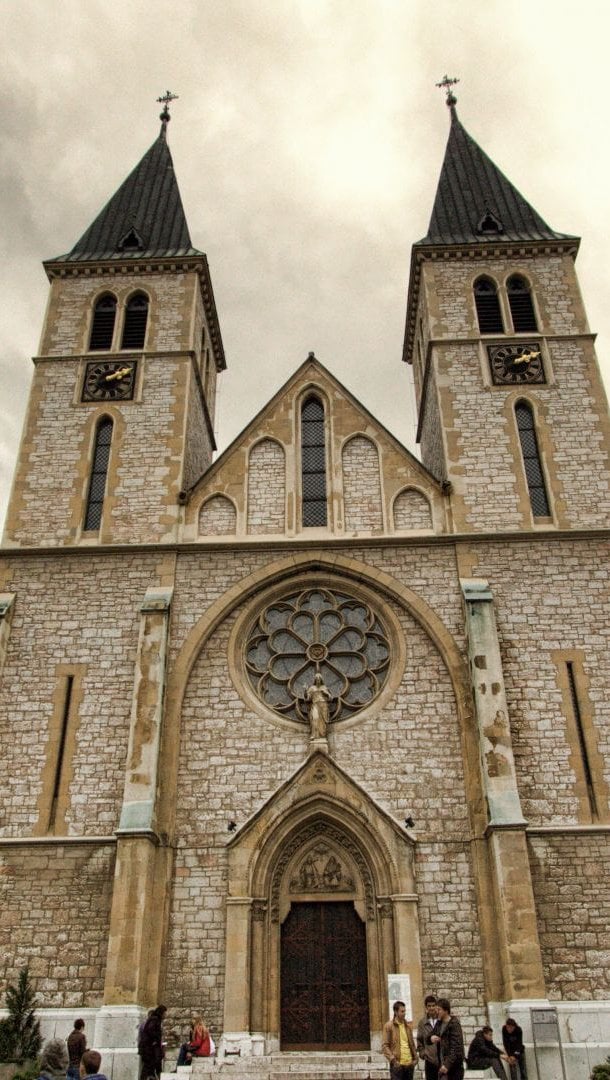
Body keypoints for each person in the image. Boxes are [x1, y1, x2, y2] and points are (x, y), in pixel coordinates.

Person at [429, 999, 464, 1080]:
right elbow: (430, 1036)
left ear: (446, 1010)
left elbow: (455, 1047)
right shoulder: (439, 1023)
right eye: (436, 1009)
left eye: (439, 1009)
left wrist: (447, 1064)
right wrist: (431, 1038)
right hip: (442, 1065)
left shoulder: (454, 1024)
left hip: (453, 1066)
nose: (436, 1011)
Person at [382, 1000, 417, 1079]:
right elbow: (385, 1045)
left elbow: (411, 1043)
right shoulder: (389, 1026)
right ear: (395, 1012)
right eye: (402, 1011)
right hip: (397, 1066)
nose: (404, 1013)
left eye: (405, 1011)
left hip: (409, 1065)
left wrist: (415, 1059)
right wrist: (393, 1060)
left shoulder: (407, 1026)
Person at [138, 1005, 167, 1080]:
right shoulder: (155, 1019)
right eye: (164, 1013)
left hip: (149, 1048)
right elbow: (151, 1030)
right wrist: (155, 1040)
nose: (165, 1015)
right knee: (148, 1066)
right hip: (149, 1049)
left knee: (149, 1067)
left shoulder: (155, 1019)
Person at [416, 995, 439, 1080]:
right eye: (429, 1006)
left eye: (433, 1005)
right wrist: (423, 1053)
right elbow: (419, 1040)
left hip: (442, 1060)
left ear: (436, 1006)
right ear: (426, 1007)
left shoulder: (441, 1020)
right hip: (429, 1061)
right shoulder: (422, 1023)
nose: (431, 1008)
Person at [306, 674, 331, 740]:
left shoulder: (324, 687)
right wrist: (305, 691)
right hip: (315, 704)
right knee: (315, 718)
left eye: (319, 679)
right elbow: (308, 699)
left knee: (323, 721)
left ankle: (322, 735)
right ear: (315, 680)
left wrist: (327, 694)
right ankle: (314, 735)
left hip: (323, 705)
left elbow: (330, 698)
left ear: (321, 680)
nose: (318, 681)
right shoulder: (311, 688)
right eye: (316, 679)